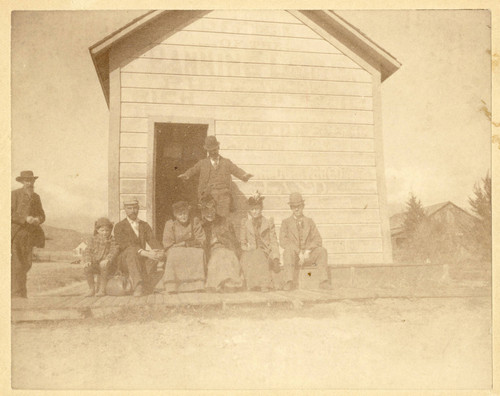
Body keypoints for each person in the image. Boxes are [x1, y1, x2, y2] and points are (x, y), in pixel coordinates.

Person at [178, 135, 254, 218]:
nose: (213, 152)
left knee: (223, 220)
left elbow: (236, 170)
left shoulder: (226, 162)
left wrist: (244, 175)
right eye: (210, 151)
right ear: (207, 151)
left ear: (218, 148)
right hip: (207, 197)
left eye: (214, 149)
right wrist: (186, 175)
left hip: (223, 197)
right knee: (208, 220)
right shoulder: (203, 163)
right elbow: (193, 169)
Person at [279, 192, 331, 291]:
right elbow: (283, 241)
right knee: (288, 251)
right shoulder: (286, 223)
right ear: (291, 208)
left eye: (299, 206)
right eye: (294, 207)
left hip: (308, 256)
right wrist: (298, 251)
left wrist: (308, 250)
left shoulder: (309, 221)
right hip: (294, 257)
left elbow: (318, 239)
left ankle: (323, 281)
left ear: (303, 206)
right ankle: (289, 282)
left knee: (322, 251)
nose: (296, 209)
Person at [114, 198, 165, 296]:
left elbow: (152, 240)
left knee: (157, 256)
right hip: (125, 261)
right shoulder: (119, 226)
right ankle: (138, 286)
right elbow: (125, 244)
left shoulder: (144, 225)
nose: (133, 211)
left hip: (140, 258)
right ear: (125, 209)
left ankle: (148, 286)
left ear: (138, 209)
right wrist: (145, 252)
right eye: (129, 208)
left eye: (135, 208)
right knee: (132, 252)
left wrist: (160, 252)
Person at [11, 170, 46, 298]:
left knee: (27, 264)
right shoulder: (14, 195)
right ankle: (16, 294)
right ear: (22, 182)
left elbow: (42, 215)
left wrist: (38, 219)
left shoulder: (36, 197)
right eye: (26, 180)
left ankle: (21, 293)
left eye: (31, 180)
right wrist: (24, 218)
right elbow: (7, 213)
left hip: (30, 235)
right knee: (17, 264)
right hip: (16, 234)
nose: (29, 183)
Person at [200, 194, 243, 292]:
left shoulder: (224, 221)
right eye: (207, 211)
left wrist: (220, 239)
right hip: (211, 251)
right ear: (203, 212)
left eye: (212, 210)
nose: (210, 214)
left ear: (215, 209)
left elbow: (233, 239)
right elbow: (200, 242)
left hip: (227, 248)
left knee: (228, 255)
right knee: (219, 256)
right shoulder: (201, 225)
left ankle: (230, 283)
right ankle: (217, 283)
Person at [239, 192, 281, 292]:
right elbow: (242, 243)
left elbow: (274, 242)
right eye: (252, 209)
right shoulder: (245, 224)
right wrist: (248, 249)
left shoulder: (268, 223)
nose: (254, 212)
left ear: (261, 209)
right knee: (249, 257)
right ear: (249, 211)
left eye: (257, 209)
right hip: (250, 252)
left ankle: (264, 285)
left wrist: (275, 257)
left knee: (259, 254)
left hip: (265, 252)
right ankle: (253, 285)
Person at [161, 201, 206, 293]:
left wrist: (185, 244)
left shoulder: (194, 221)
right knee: (174, 254)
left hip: (191, 247)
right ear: (175, 215)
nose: (183, 216)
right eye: (180, 214)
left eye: (185, 213)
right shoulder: (170, 224)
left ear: (188, 213)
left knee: (199, 253)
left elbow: (201, 239)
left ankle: (197, 284)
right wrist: (179, 246)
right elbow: (168, 244)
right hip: (175, 249)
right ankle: (172, 285)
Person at [82, 217, 119, 297]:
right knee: (87, 268)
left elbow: (114, 251)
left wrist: (107, 259)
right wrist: (87, 260)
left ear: (110, 231)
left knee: (103, 266)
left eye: (107, 230)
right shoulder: (93, 239)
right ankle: (91, 289)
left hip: (109, 265)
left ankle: (102, 289)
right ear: (98, 230)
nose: (105, 233)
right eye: (102, 230)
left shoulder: (113, 239)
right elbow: (87, 250)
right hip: (96, 263)